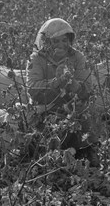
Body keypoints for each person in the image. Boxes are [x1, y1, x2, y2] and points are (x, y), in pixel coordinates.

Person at [26, 18, 100, 167]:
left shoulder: (77, 57)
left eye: (64, 40)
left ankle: (88, 151)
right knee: (49, 136)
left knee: (86, 114)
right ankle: (52, 156)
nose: (61, 45)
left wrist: (72, 83)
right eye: (55, 41)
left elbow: (87, 89)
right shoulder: (36, 58)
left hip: (73, 107)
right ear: (46, 43)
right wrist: (56, 81)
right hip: (46, 108)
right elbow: (33, 89)